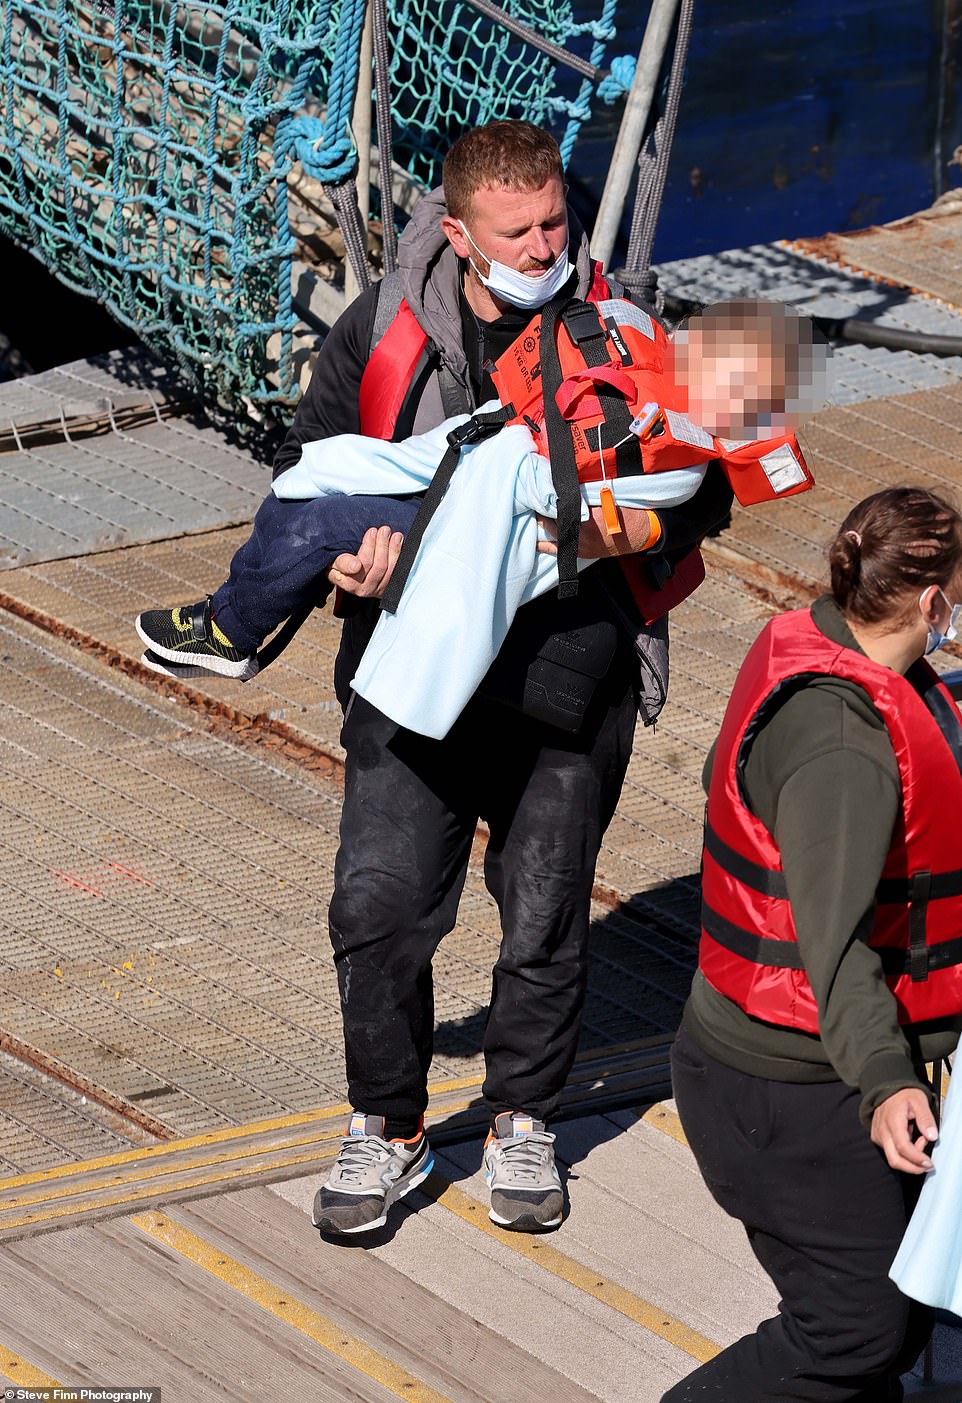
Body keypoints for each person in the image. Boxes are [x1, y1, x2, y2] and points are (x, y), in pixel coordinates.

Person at [226, 119, 740, 1237]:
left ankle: (522, 1118)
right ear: (458, 234)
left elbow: (714, 484)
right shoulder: (382, 327)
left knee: (545, 913)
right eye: (517, 231)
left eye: (555, 219)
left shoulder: (624, 320)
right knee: (376, 908)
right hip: (411, 674)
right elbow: (308, 473)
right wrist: (342, 559)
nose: (545, 242)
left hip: (569, 674)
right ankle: (387, 1125)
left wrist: (608, 534)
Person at [134, 297, 821, 742]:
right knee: (306, 481)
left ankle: (231, 630)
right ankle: (233, 616)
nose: (699, 344)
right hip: (463, 460)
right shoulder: (639, 344)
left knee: (316, 523)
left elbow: (579, 504)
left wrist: (520, 468)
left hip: (485, 518)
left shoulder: (683, 458)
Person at [665, 485, 962, 1400]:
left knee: (905, 1306)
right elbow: (832, 952)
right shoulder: (844, 749)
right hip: (790, 1092)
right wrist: (887, 1083)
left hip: (797, 1076)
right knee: (855, 1329)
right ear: (933, 604)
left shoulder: (836, 645)